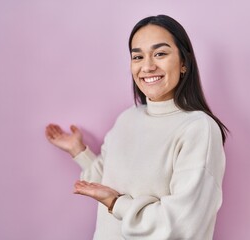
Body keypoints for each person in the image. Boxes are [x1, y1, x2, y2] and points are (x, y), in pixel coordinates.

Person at [45, 14, 228, 240]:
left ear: (183, 63)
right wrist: (78, 151)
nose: (148, 66)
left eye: (160, 53)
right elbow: (108, 183)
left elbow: (181, 224)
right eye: (138, 56)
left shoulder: (198, 128)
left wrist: (116, 204)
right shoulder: (127, 118)